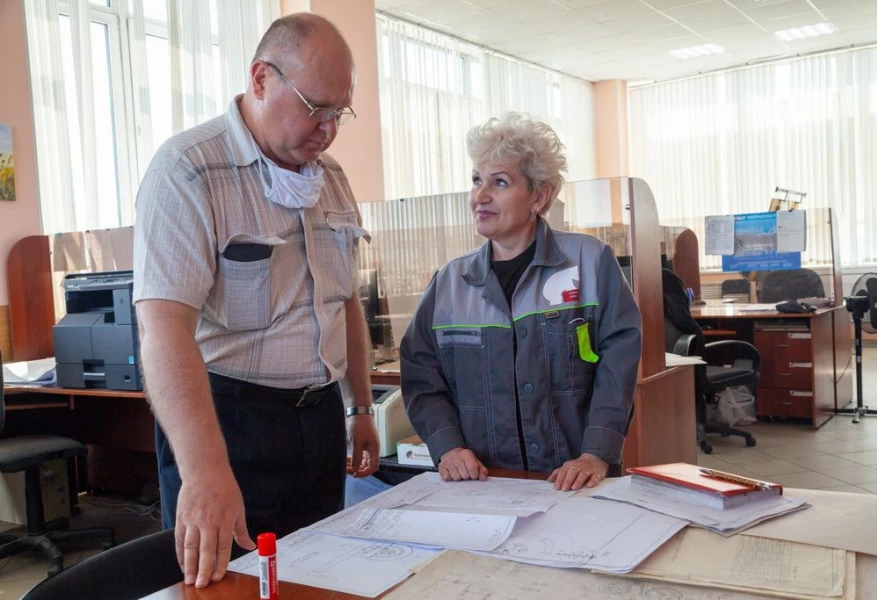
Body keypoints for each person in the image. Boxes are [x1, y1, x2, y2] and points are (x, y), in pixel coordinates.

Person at [133, 14, 379, 589]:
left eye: (338, 113)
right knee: (225, 586)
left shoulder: (331, 177)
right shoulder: (189, 170)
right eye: (315, 107)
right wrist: (204, 469)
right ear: (261, 79)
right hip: (230, 424)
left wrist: (361, 407)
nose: (327, 129)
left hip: (317, 421)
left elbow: (343, 303)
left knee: (315, 580)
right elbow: (164, 330)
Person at [400, 113, 642, 492]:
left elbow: (618, 367)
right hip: (485, 482)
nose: (480, 197)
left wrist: (597, 452)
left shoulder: (590, 261)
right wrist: (447, 447)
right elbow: (421, 377)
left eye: (499, 182)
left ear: (539, 196)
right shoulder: (449, 282)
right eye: (477, 180)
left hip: (575, 479)